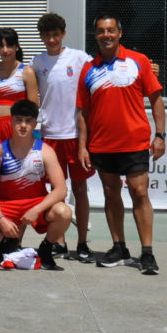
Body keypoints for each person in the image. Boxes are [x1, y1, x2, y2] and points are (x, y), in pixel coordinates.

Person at [77, 14, 165, 275]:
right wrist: (83, 146)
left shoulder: (139, 62)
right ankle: (119, 247)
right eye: (102, 31)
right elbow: (83, 113)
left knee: (139, 193)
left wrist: (160, 135)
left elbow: (157, 99)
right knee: (110, 194)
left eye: (111, 30)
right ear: (96, 35)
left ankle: (147, 252)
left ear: (120, 33)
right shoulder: (89, 69)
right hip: (102, 144)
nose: (106, 35)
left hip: (135, 142)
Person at [0, 100, 73, 271]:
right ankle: (7, 243)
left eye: (28, 121)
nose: (23, 125)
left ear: (35, 123)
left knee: (64, 212)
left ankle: (46, 249)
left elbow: (61, 189)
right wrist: (0, 219)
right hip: (8, 205)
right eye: (18, 120)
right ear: (11, 121)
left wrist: (36, 210)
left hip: (36, 203)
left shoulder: (45, 151)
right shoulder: (0, 151)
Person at [30, 13, 95, 261]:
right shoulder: (38, 62)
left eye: (56, 34)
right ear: (42, 37)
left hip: (76, 135)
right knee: (56, 191)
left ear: (63, 34)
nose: (52, 39)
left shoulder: (78, 57)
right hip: (49, 135)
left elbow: (100, 70)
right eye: (47, 35)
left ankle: (82, 243)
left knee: (80, 189)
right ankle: (59, 241)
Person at [0, 28, 39, 144]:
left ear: (16, 46)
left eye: (9, 45)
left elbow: (33, 106)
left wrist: (28, 130)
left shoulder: (26, 72)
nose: (5, 50)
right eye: (1, 46)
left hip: (18, 127)